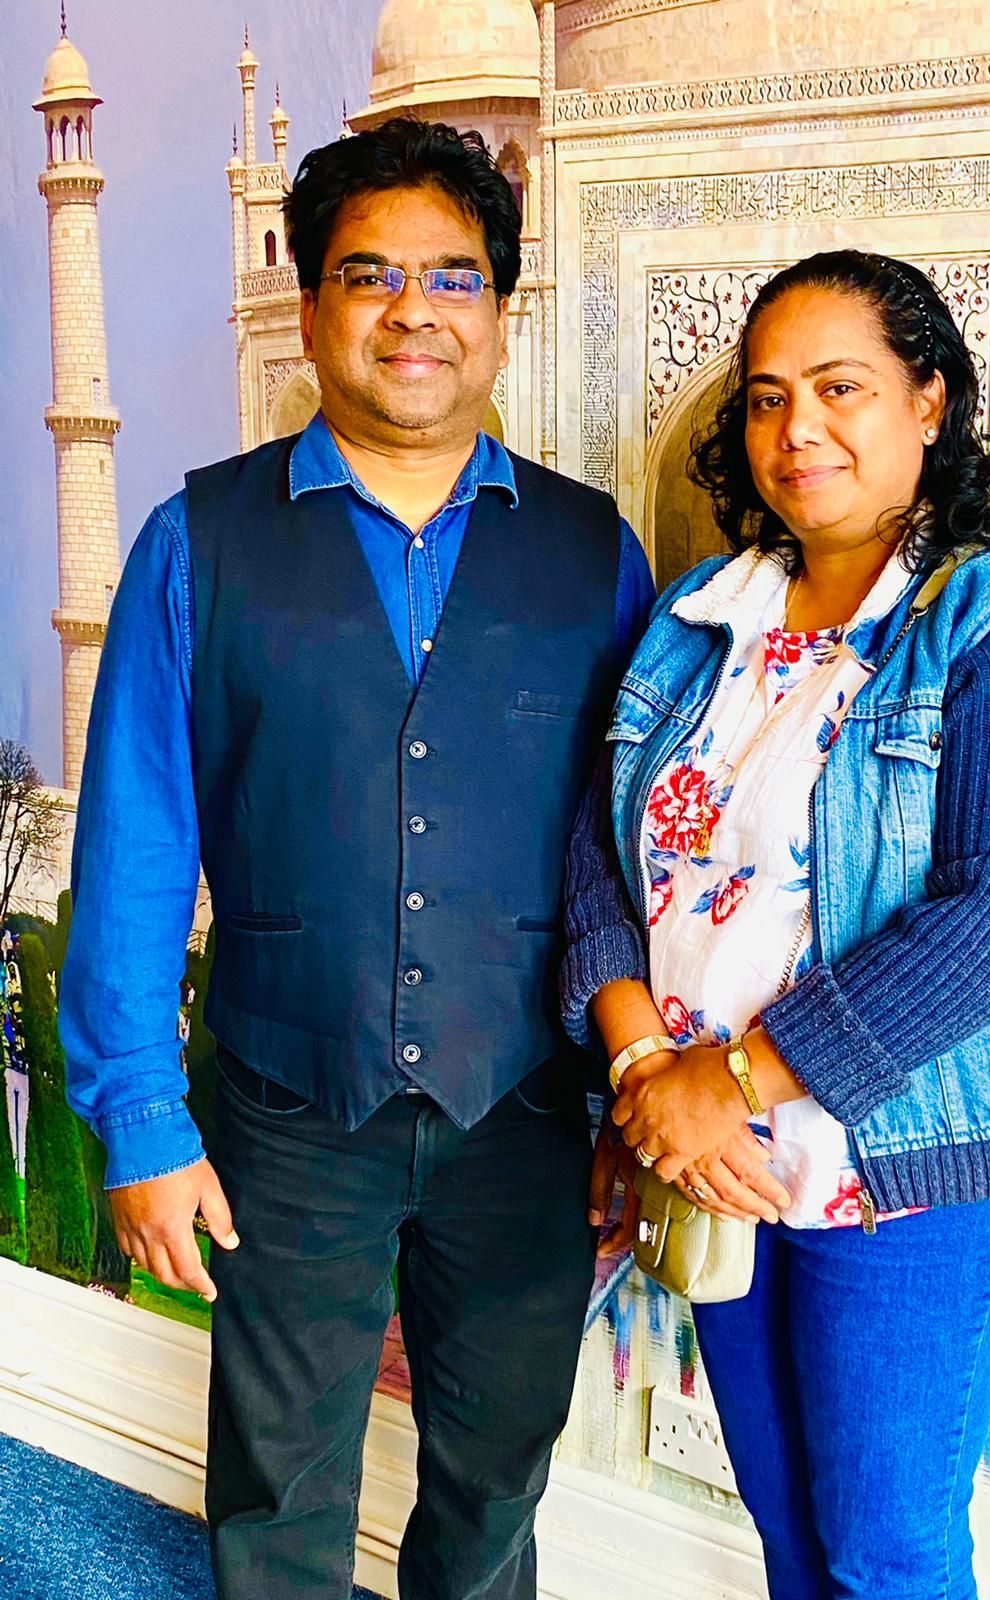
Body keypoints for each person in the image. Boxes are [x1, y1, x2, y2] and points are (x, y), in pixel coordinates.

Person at [59, 118, 655, 1600]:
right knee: (278, 1484)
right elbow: (138, 841)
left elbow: (630, 855)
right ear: (311, 299)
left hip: (526, 1108)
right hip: (287, 1100)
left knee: (497, 1482)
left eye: (454, 278)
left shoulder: (597, 553)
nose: (413, 312)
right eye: (370, 274)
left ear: (501, 313)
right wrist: (140, 1118)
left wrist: (628, 1096)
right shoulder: (197, 539)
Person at [561, 251, 990, 1599]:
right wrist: (645, 1070)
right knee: (789, 1529)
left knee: (886, 1549)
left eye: (839, 387)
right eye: (766, 397)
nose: (796, 427)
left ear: (929, 401)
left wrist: (727, 1078)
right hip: (711, 1148)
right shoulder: (695, 624)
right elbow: (594, 856)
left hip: (913, 1159)